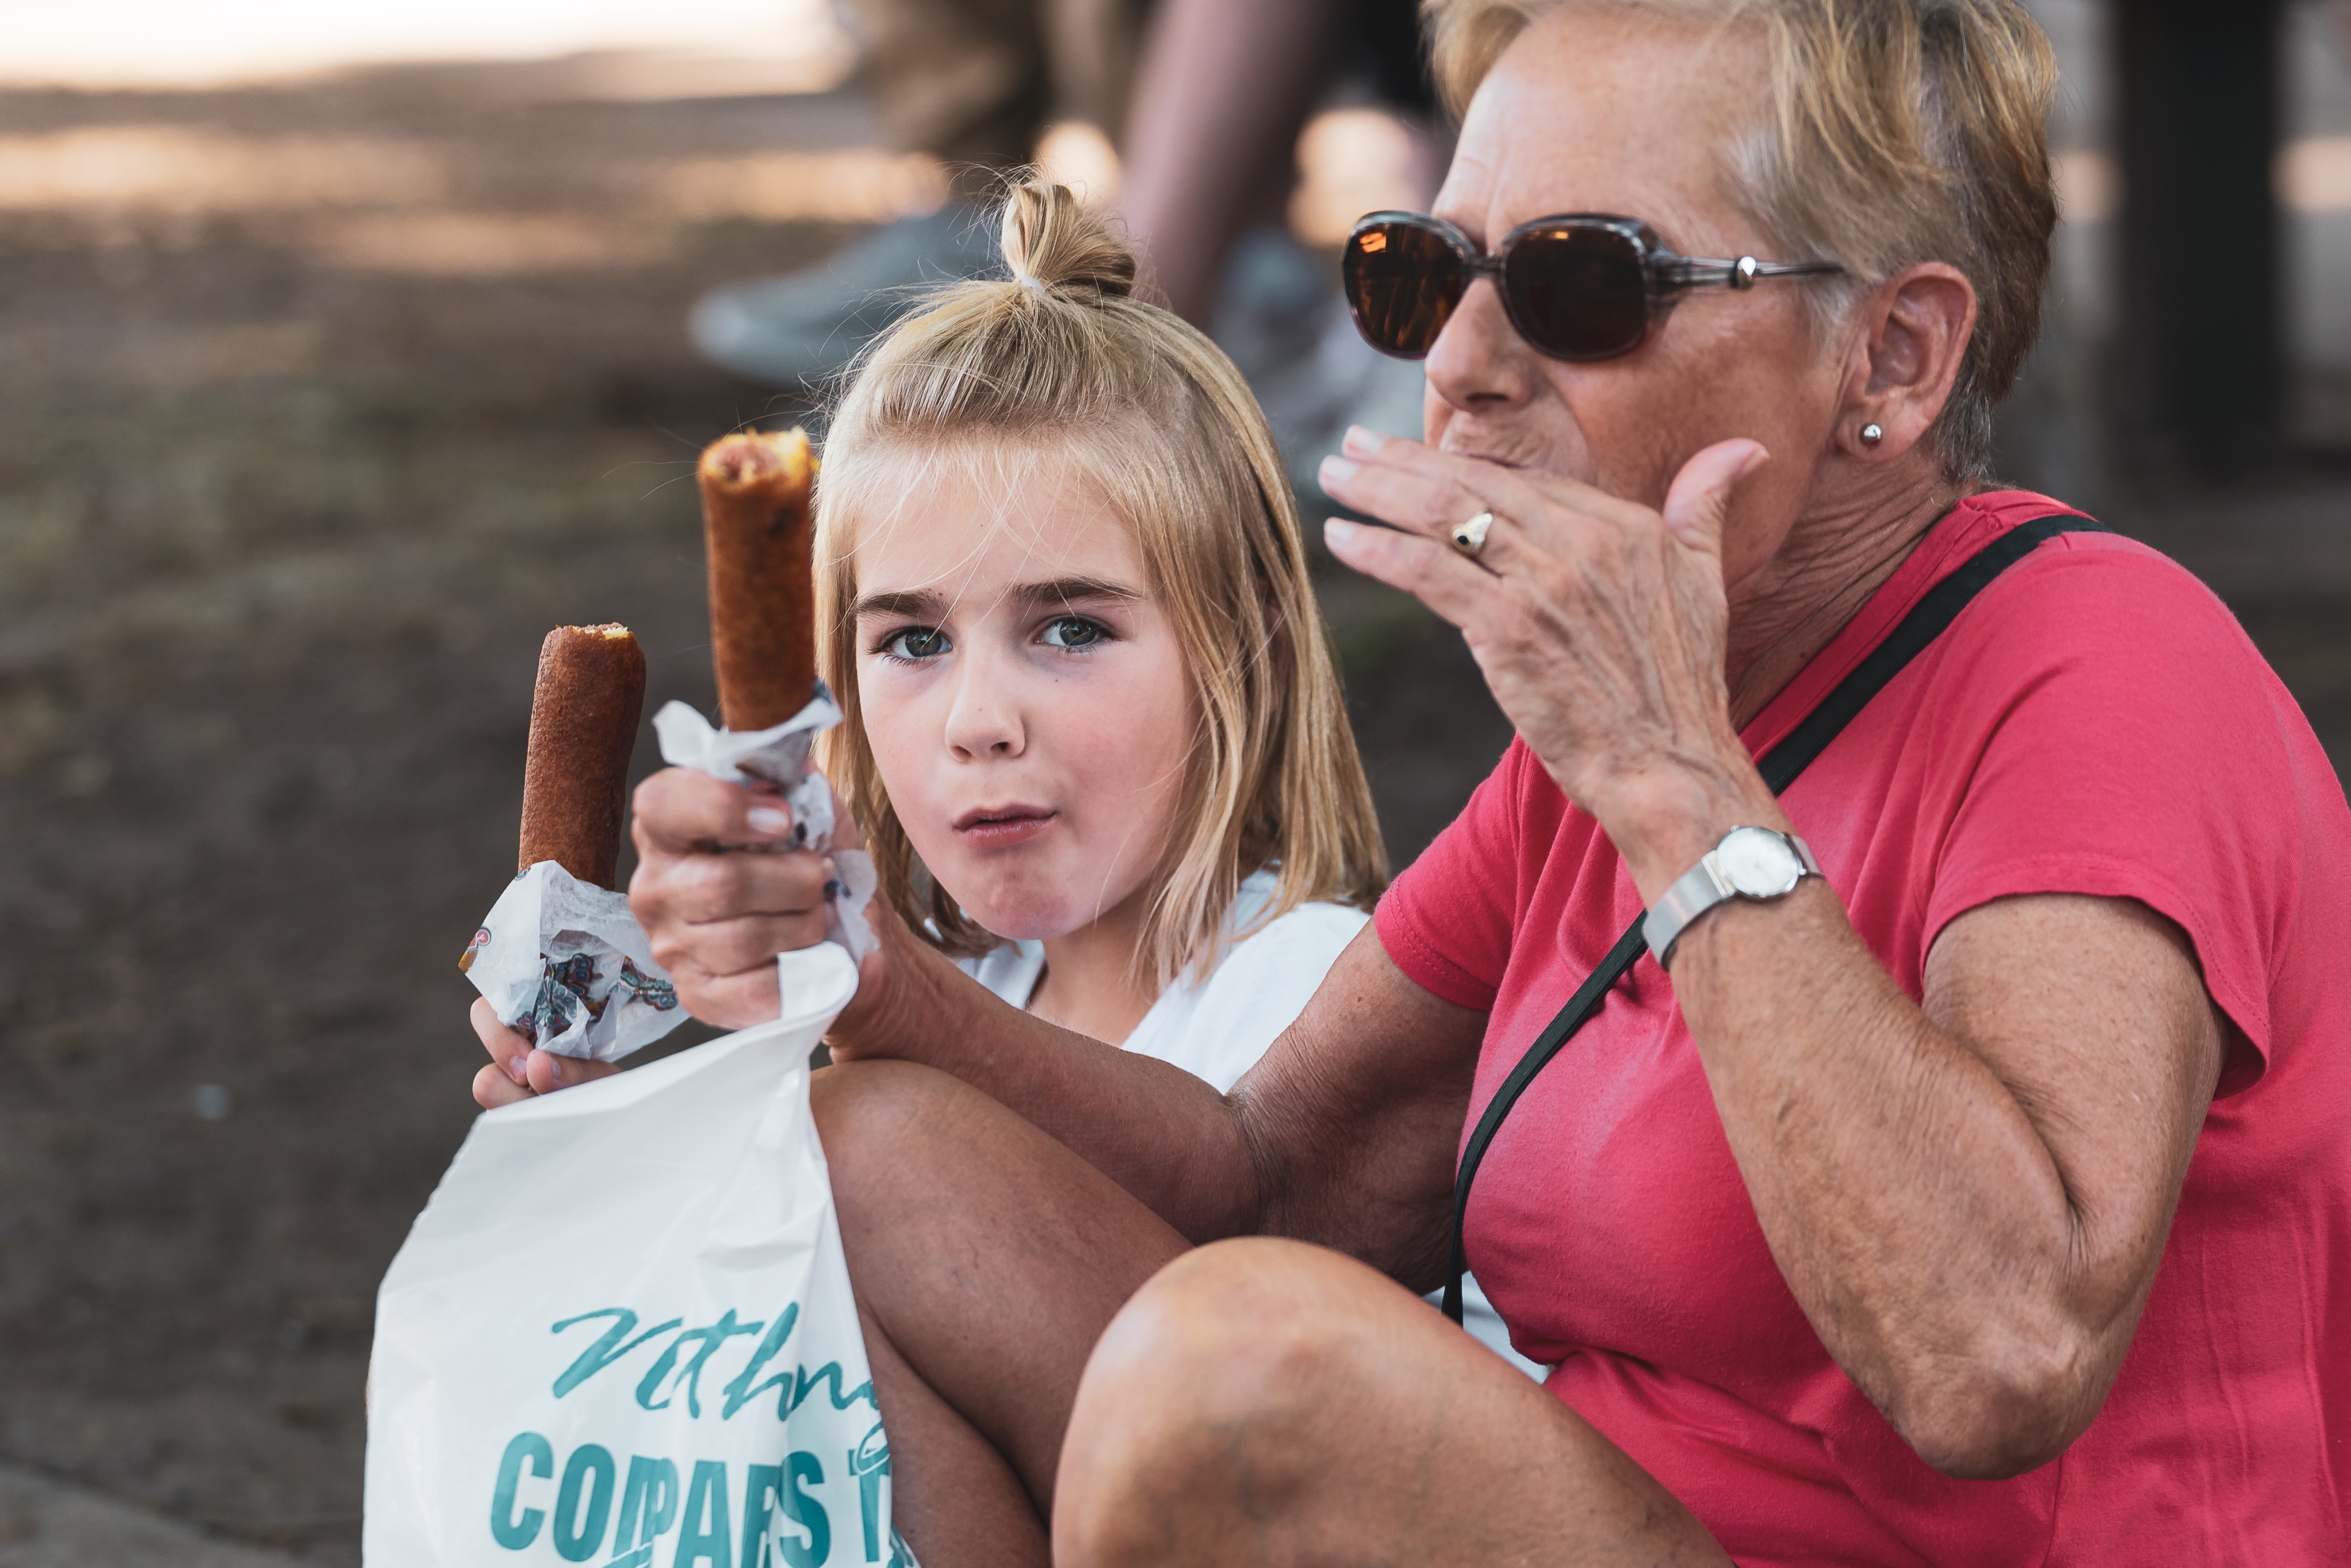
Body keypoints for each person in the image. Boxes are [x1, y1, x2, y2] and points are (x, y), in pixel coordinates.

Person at [624, 0, 2351, 1562]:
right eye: (1419, 271)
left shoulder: (2096, 665)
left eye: (1582, 281)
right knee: (879, 1151)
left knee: (1249, 1377)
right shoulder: (1616, 728)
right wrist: (882, 977)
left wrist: (1677, 787)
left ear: (1891, 357)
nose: (1455, 361)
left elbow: (2000, 1360)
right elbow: (1278, 1172)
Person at [474, 178, 1543, 1381]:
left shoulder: (1318, 999)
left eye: (1071, 629)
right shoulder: (982, 983)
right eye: (912, 642)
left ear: (1241, 648)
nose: (979, 722)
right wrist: (600, 1163)